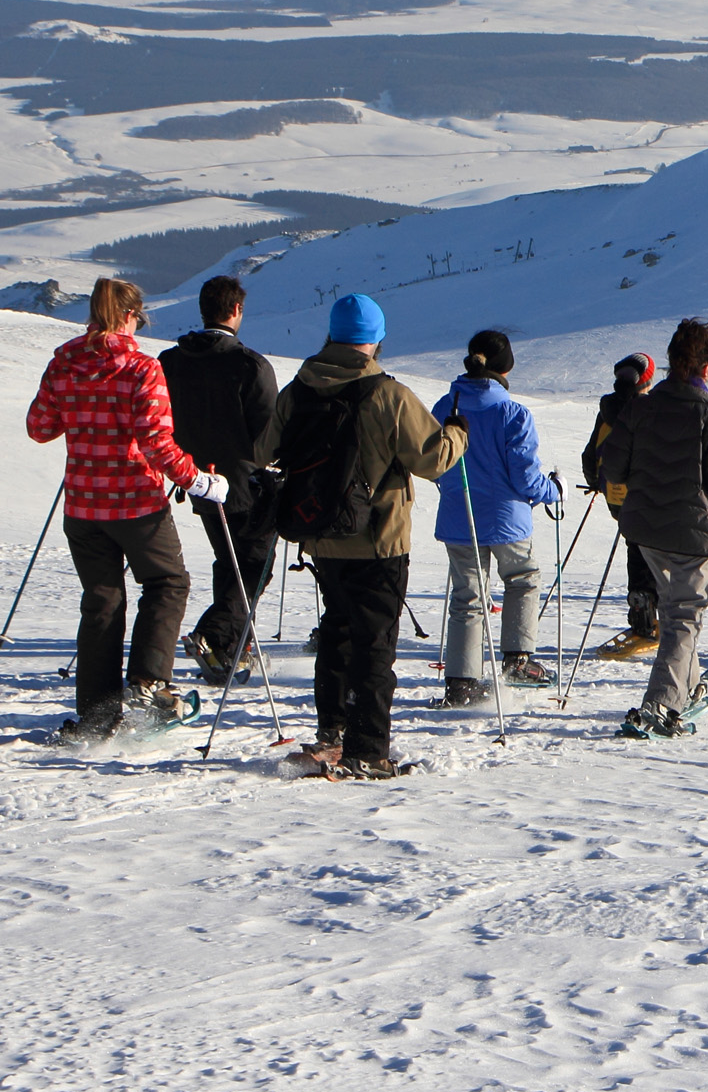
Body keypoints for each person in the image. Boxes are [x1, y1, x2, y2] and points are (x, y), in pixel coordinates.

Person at [256, 293, 466, 778]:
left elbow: (263, 449)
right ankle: (367, 748)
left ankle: (330, 734)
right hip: (379, 538)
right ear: (375, 340)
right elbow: (432, 459)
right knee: (374, 643)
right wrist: (457, 432)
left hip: (321, 535)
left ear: (331, 335)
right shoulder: (388, 394)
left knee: (337, 630)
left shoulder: (298, 390)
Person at [26, 276, 228, 739]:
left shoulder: (65, 359)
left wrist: (80, 416)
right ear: (130, 315)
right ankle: (148, 684)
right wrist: (198, 480)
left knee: (101, 603)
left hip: (82, 503)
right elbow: (156, 443)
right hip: (136, 503)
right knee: (167, 582)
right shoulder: (140, 367)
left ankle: (96, 718)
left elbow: (39, 427)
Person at [600, 318, 708, 737]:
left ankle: (684, 688)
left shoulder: (642, 406)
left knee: (677, 612)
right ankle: (661, 703)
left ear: (672, 362)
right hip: (692, 531)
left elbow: (612, 466)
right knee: (683, 617)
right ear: (707, 367)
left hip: (646, 530)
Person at [431, 330, 561, 706]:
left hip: (459, 517)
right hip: (507, 520)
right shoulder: (512, 412)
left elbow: (435, 463)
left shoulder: (445, 407)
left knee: (468, 598)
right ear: (506, 366)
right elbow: (525, 477)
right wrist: (554, 489)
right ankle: (518, 661)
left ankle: (460, 683)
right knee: (521, 579)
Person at [159, 275, 278, 683]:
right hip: (247, 484)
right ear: (236, 310)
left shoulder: (171, 361)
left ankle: (230, 646)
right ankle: (216, 636)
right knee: (254, 563)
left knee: (229, 560)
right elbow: (268, 434)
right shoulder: (249, 365)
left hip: (193, 477)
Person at [582, 352, 659, 659]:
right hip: (646, 495)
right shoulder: (647, 409)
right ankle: (651, 617)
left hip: (616, 496)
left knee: (635, 548)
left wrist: (596, 482)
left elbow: (590, 454)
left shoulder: (607, 409)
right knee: (653, 553)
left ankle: (642, 614)